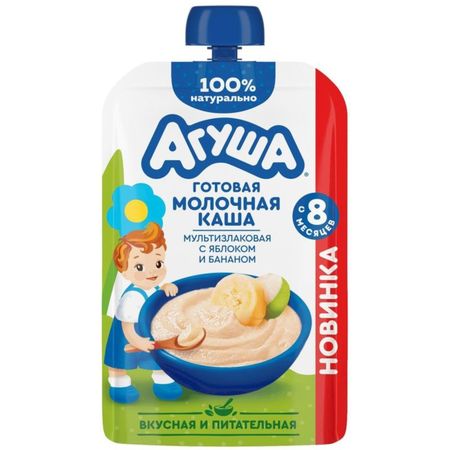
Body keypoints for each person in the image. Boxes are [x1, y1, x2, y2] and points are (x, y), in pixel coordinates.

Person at [104, 222, 182, 403]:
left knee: (158, 358)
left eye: (158, 263)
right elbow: (127, 327)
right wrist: (137, 341)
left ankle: (163, 381)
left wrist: (166, 287)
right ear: (124, 272)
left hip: (149, 333)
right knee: (120, 362)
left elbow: (158, 297)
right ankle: (119, 385)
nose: (152, 271)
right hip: (128, 336)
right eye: (139, 267)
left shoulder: (153, 288)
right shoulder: (131, 297)